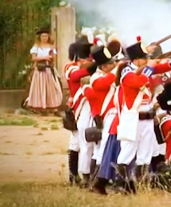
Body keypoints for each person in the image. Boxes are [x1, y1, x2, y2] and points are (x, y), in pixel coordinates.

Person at [114, 38, 171, 193]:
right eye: (144, 58)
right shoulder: (126, 73)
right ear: (136, 60)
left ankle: (141, 184)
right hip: (133, 119)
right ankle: (121, 183)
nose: (147, 60)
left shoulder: (144, 70)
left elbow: (166, 66)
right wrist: (149, 68)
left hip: (147, 118)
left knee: (145, 152)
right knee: (127, 152)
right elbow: (139, 81)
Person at [63, 42, 98, 185]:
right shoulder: (71, 68)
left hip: (87, 107)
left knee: (81, 142)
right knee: (78, 143)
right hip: (79, 109)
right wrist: (97, 64)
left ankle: (80, 175)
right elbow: (77, 75)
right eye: (89, 60)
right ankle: (76, 175)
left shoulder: (84, 67)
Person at [89, 45, 120, 175]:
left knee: (103, 147)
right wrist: (118, 68)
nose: (114, 65)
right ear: (104, 66)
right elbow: (104, 83)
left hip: (112, 115)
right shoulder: (96, 78)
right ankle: (98, 177)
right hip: (105, 116)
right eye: (111, 63)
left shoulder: (109, 74)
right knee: (102, 148)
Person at [25, 27, 63, 116]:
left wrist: (51, 57)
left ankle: (51, 105)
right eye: (43, 36)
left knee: (51, 87)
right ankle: (39, 106)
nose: (44, 38)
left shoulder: (51, 47)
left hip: (48, 69)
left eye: (46, 36)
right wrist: (44, 57)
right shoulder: (36, 47)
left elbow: (53, 58)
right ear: (40, 37)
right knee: (39, 87)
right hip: (39, 69)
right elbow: (33, 58)